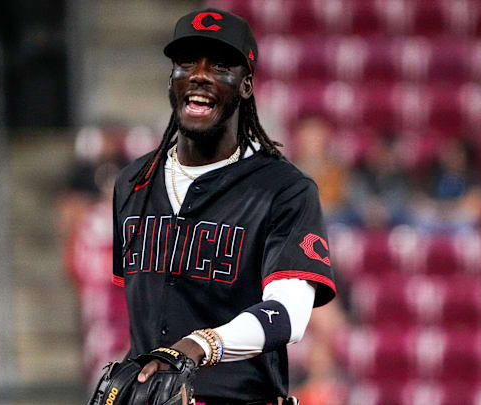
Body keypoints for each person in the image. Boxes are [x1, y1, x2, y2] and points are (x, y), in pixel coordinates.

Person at [110, 8, 337, 404]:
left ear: (246, 86)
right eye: (186, 63)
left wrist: (199, 345)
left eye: (220, 65)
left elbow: (289, 315)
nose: (199, 74)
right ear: (172, 80)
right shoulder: (132, 183)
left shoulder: (285, 189)